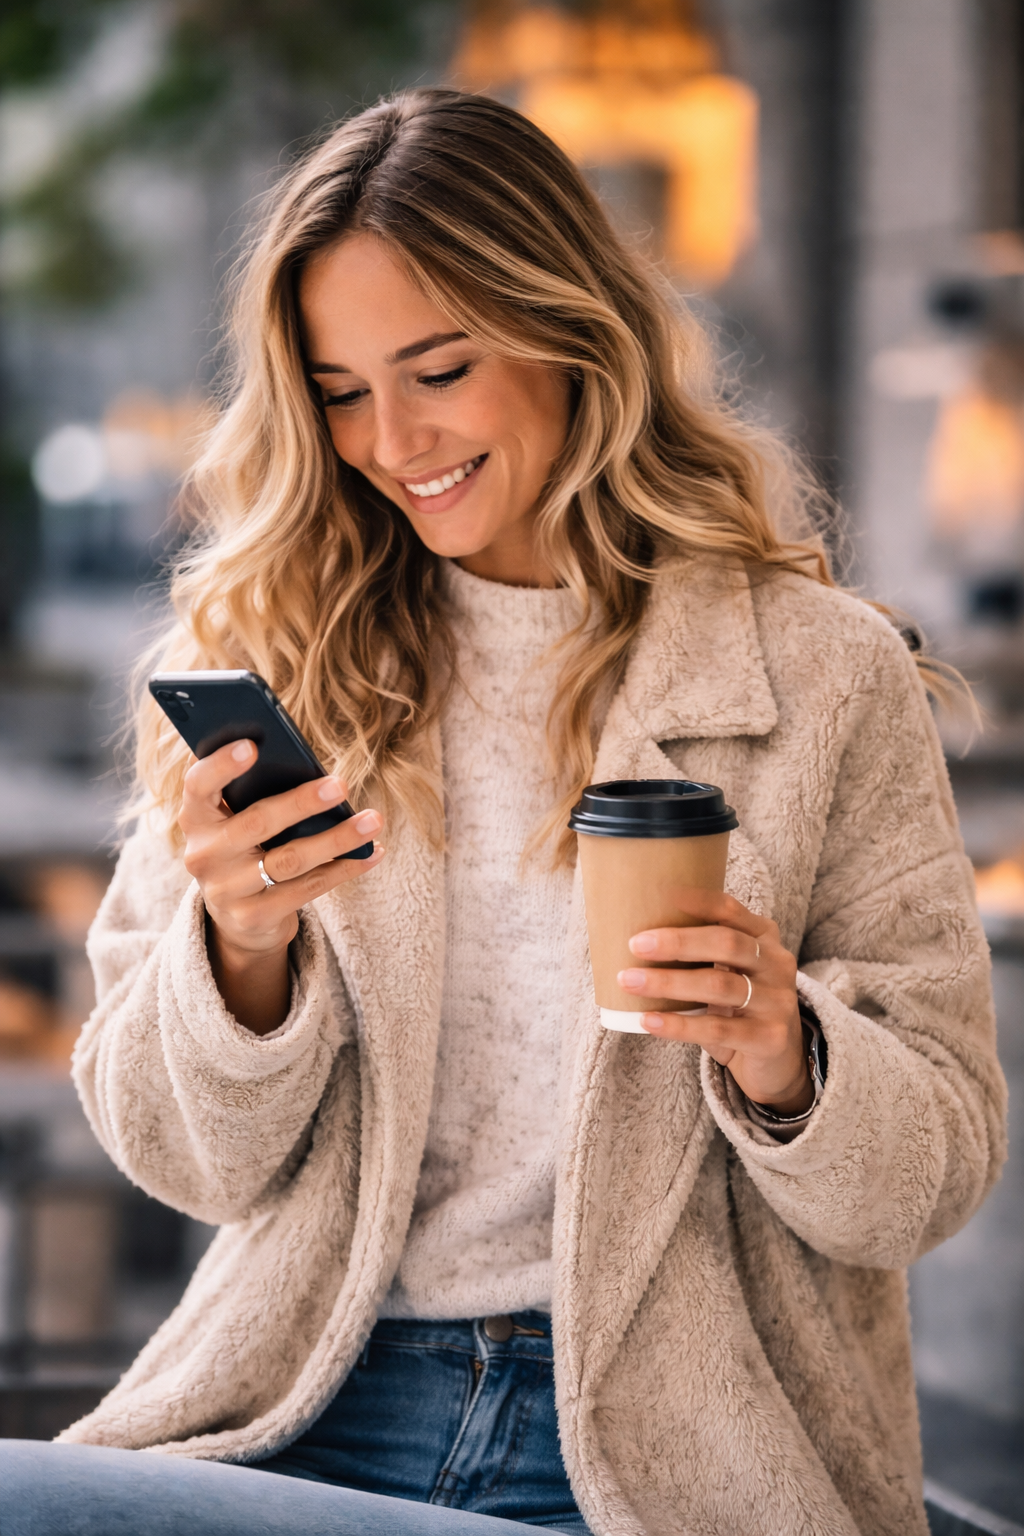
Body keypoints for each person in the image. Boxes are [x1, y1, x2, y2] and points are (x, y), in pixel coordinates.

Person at [0, 89, 1007, 1536]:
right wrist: (239, 957)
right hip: (306, 1401)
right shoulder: (268, 657)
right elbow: (184, 1161)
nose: (391, 438)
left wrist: (789, 1058)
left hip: (666, 1449)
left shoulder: (818, 672)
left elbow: (939, 1167)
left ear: (567, 330)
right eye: (340, 391)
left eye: (439, 369)